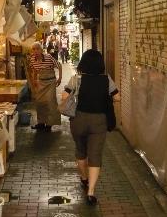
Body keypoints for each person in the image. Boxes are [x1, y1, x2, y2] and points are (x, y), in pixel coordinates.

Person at [62, 49, 119, 205]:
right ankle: (91, 192)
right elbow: (117, 97)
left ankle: (84, 178)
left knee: (81, 151)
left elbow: (64, 96)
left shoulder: (77, 78)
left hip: (78, 119)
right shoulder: (106, 79)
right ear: (100, 63)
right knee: (95, 155)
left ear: (83, 63)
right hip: (99, 121)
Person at [28, 42, 62, 132]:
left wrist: (60, 78)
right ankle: (41, 123)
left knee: (50, 103)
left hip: (51, 82)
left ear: (41, 50)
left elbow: (59, 65)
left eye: (37, 49)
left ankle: (49, 124)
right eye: (33, 49)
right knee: (39, 103)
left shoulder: (48, 57)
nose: (35, 51)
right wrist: (34, 81)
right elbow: (34, 71)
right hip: (41, 83)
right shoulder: (32, 60)